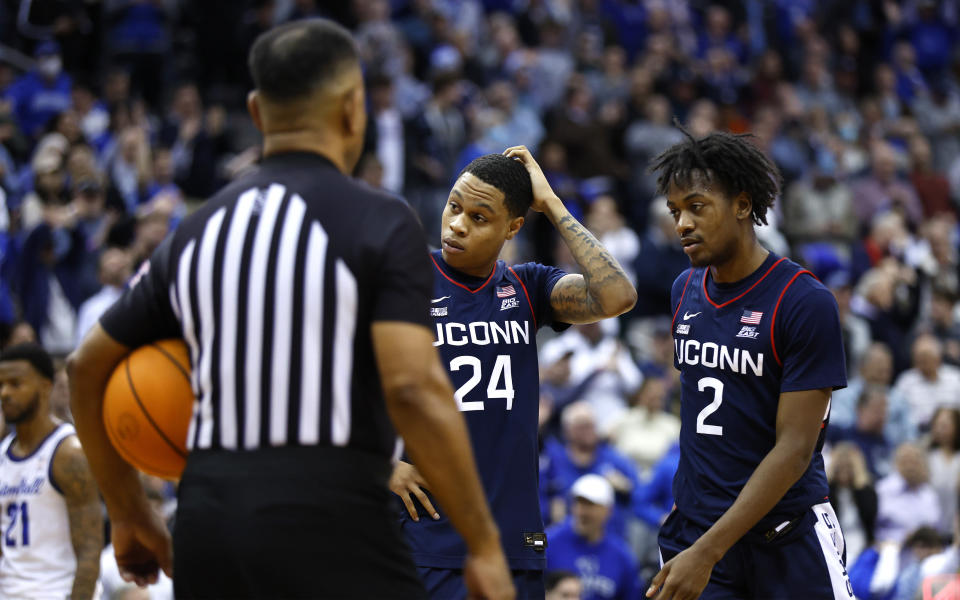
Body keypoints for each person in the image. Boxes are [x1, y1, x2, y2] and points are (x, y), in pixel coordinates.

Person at [66, 19, 513, 600]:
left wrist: (126, 512)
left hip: (206, 527)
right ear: (354, 110)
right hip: (331, 520)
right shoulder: (379, 220)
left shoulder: (198, 230)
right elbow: (412, 389)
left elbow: (83, 367)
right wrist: (481, 543)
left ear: (255, 111)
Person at [389, 147, 636, 599]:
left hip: (516, 537)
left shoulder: (527, 286)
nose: (458, 224)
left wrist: (554, 205)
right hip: (430, 534)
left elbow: (617, 295)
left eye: (480, 218)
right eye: (454, 206)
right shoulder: (404, 275)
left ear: (513, 227)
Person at [647, 130, 853, 599]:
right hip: (698, 533)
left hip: (786, 537)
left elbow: (795, 449)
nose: (682, 223)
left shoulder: (804, 301)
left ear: (743, 205)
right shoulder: (684, 289)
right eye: (675, 211)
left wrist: (709, 549)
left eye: (697, 206)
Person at [0, 343, 102, 599]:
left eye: (15, 383)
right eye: (0, 384)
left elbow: (90, 550)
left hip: (55, 592)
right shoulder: (2, 454)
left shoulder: (68, 453)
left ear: (46, 386)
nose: (4, 393)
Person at [546, 474, 643, 600]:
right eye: (579, 504)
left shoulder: (623, 556)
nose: (583, 512)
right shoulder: (547, 538)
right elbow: (522, 545)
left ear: (608, 510)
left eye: (590, 505)